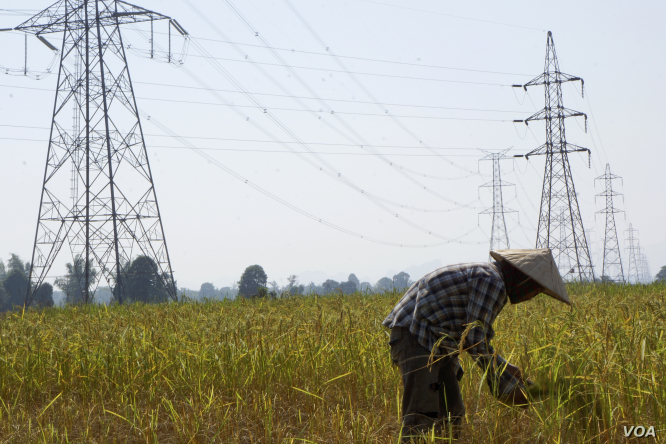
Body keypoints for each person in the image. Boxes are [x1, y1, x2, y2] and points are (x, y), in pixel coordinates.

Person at [383, 248, 571, 441]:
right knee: (421, 415)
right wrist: (505, 386)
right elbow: (474, 339)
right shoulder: (492, 281)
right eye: (535, 290)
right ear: (524, 280)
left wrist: (507, 369)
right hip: (416, 336)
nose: (530, 297)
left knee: (452, 413)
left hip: (436, 343)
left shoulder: (490, 277)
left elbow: (473, 337)